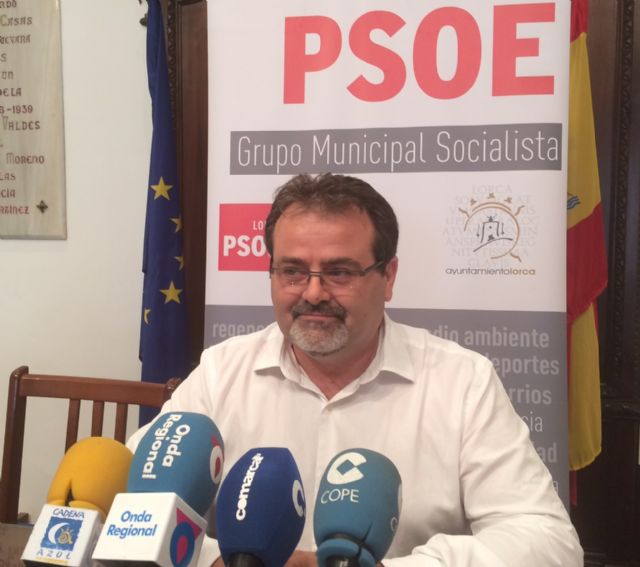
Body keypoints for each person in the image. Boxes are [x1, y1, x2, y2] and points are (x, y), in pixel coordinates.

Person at [128, 173, 583, 567]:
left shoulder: (463, 382)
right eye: (292, 271)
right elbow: (132, 507)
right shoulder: (221, 372)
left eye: (340, 272)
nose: (313, 293)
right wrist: (222, 560)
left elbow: (548, 541)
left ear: (388, 277)